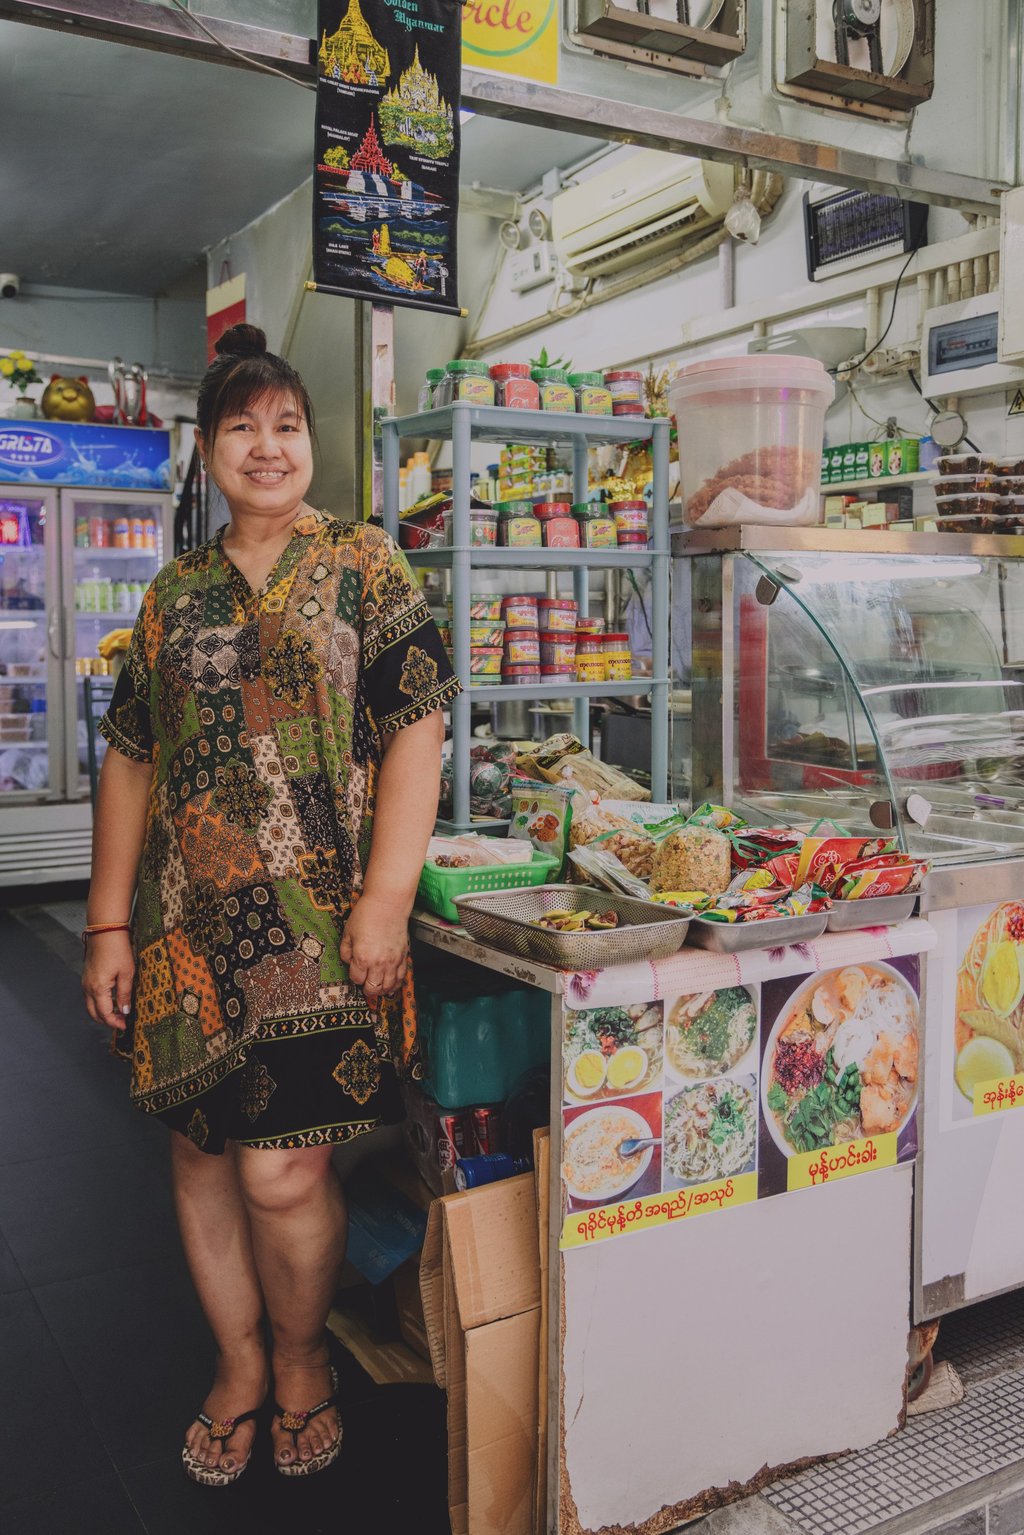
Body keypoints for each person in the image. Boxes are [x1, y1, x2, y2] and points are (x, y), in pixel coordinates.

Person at [82, 324, 459, 1486]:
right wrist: (106, 923)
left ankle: (303, 1357)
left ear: (310, 443)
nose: (267, 444)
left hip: (320, 926)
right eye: (242, 426)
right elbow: (132, 759)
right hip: (187, 932)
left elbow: (417, 729)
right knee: (204, 1155)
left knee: (284, 1169)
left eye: (285, 424)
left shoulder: (366, 566)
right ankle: (240, 1361)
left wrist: (388, 898)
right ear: (208, 450)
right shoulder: (169, 598)